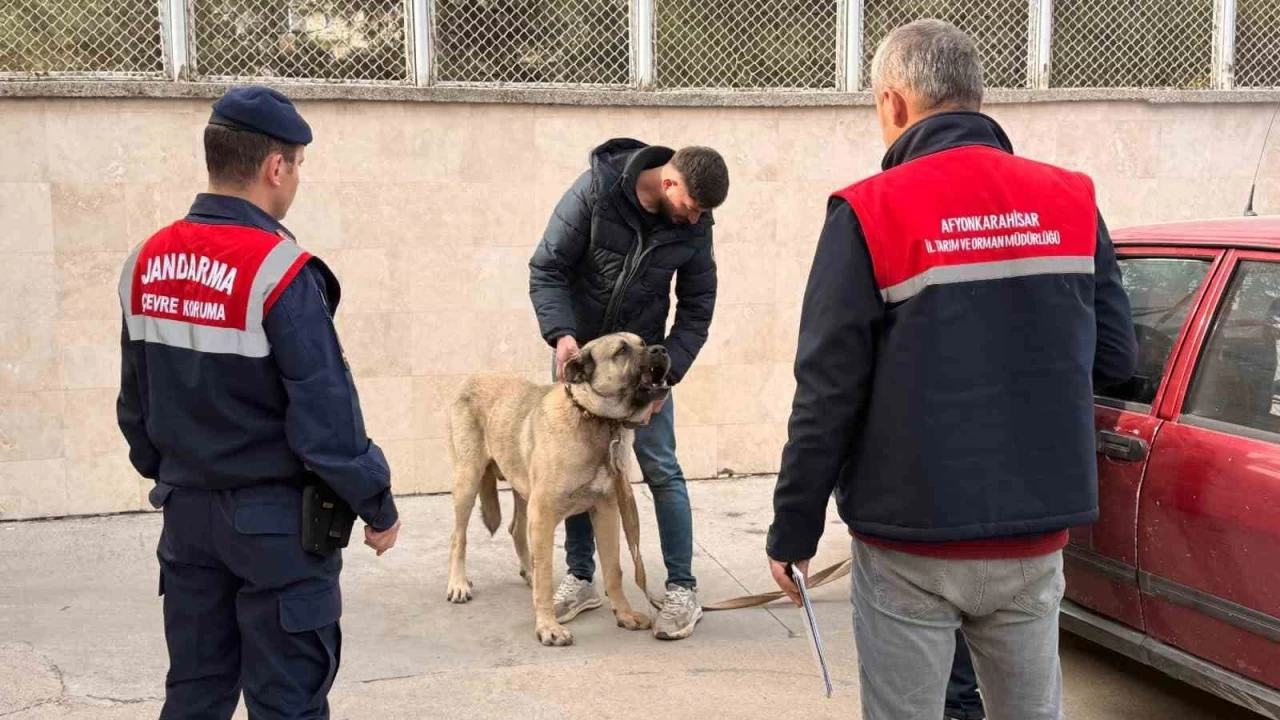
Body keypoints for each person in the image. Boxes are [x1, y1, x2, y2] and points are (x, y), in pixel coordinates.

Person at [764, 19, 1136, 720]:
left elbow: (827, 392)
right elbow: (1117, 360)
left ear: (894, 104)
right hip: (1033, 535)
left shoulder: (867, 212)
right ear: (976, 94)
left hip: (910, 538)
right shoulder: (1072, 199)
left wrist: (794, 530)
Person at [116, 86, 402, 719]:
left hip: (186, 519)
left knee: (194, 695)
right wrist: (374, 502)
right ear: (277, 167)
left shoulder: (144, 262)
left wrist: (180, 474)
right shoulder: (279, 270)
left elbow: (134, 407)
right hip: (277, 529)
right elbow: (326, 416)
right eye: (297, 163)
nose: (296, 177)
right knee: (287, 702)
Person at [528, 138, 729, 640]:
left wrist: (669, 373)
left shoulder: (695, 225)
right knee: (570, 470)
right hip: (585, 364)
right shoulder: (596, 191)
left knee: (662, 468)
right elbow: (547, 266)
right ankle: (580, 578)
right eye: (690, 206)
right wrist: (562, 335)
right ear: (668, 182)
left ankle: (682, 587)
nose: (694, 218)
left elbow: (698, 307)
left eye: (703, 212)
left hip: (644, 369)